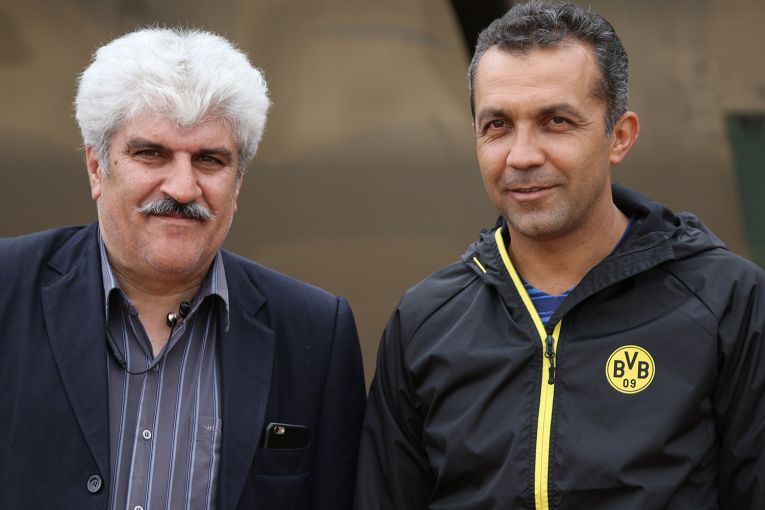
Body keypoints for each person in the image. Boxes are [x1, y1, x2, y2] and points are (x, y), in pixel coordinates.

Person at [354, 1, 765, 508]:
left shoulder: (728, 301)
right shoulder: (425, 320)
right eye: (498, 125)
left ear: (619, 136)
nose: (522, 156)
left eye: (556, 121)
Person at [0, 28, 365, 509]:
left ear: (238, 184)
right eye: (151, 153)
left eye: (209, 160)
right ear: (96, 167)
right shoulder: (7, 288)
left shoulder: (315, 332)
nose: (182, 187)